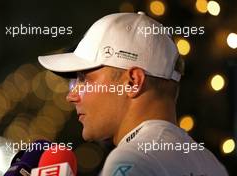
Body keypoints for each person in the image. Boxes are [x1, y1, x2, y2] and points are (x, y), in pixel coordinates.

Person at [38, 12, 228, 176]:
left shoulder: (131, 160)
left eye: (85, 80)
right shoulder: (212, 164)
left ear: (132, 82)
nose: (72, 96)